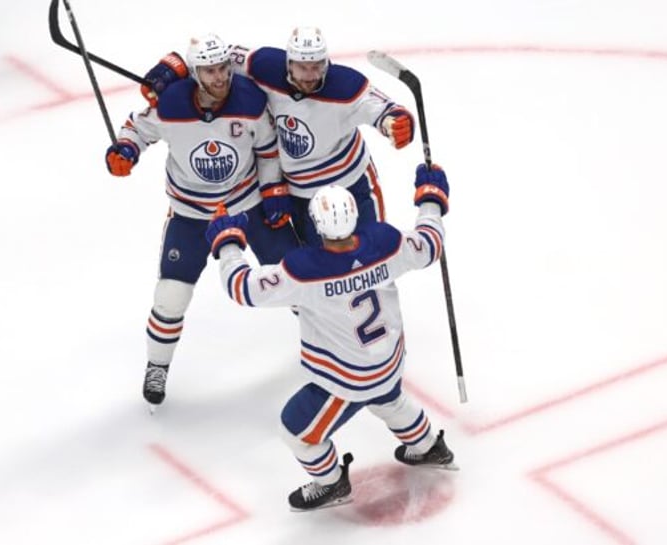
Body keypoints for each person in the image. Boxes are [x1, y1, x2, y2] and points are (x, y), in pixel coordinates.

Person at [204, 163, 456, 511]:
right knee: (388, 397)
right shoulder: (385, 242)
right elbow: (430, 244)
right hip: (389, 357)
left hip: (347, 376)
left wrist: (228, 243)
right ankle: (427, 446)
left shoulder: (304, 269)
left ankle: (331, 482)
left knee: (297, 431)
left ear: (317, 225)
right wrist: (431, 199)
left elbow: (242, 288)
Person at [105, 33, 299, 410]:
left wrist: (274, 188)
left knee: (295, 275)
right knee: (171, 296)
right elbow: (136, 128)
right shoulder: (170, 106)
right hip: (192, 215)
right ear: (196, 73)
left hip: (248, 207)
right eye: (210, 71)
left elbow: (267, 147)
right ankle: (157, 366)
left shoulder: (250, 100)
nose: (220, 77)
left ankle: (326, 339)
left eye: (223, 68)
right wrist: (125, 149)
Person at [141, 26, 416, 246]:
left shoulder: (346, 85)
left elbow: (381, 107)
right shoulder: (264, 66)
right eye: (301, 67)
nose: (310, 75)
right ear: (288, 63)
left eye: (317, 66)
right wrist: (175, 65)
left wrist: (395, 122)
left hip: (350, 183)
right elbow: (216, 56)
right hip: (298, 192)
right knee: (321, 269)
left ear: (326, 62)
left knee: (375, 253)